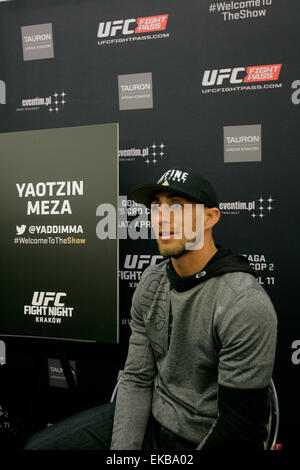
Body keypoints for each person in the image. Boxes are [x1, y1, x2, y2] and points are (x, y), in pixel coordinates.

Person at [24, 167, 277, 450]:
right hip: (151, 422)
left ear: (210, 217)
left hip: (202, 439)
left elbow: (238, 431)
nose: (162, 216)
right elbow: (136, 378)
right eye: (156, 207)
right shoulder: (151, 280)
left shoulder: (242, 301)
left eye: (177, 205)